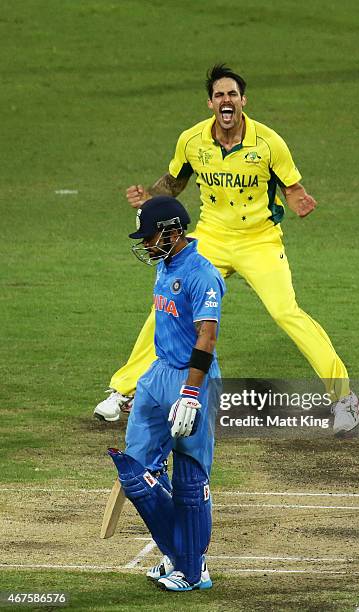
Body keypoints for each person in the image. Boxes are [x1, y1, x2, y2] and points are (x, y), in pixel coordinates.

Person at [95, 63, 359, 435]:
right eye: (219, 94)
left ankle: (344, 396)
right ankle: (122, 391)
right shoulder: (192, 141)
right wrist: (149, 197)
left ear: (242, 101)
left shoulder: (269, 143)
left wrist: (300, 199)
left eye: (232, 94)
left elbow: (292, 187)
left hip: (260, 240)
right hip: (212, 238)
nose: (226, 100)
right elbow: (173, 183)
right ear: (210, 103)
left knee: (287, 313)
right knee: (168, 302)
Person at [109, 195, 225, 592]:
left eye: (150, 235)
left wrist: (191, 393)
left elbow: (206, 338)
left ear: (173, 232)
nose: (145, 243)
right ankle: (181, 555)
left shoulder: (202, 275)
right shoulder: (164, 264)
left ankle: (193, 570)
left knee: (190, 478)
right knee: (136, 474)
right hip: (157, 374)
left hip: (191, 379)